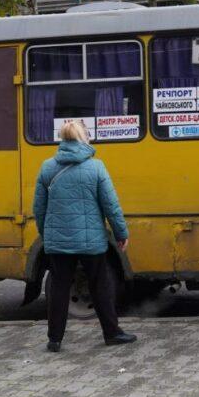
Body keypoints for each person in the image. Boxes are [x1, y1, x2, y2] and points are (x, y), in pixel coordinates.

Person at [33, 120, 136, 352]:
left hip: (58, 242)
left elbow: (38, 208)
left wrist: (46, 233)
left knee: (59, 287)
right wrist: (121, 232)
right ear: (83, 138)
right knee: (100, 285)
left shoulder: (47, 167)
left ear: (63, 139)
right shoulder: (96, 167)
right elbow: (111, 205)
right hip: (92, 242)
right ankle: (112, 333)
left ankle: (54, 339)